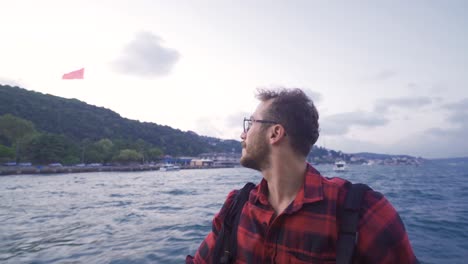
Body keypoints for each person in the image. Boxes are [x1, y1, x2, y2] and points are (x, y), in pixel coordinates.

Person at [187, 88, 418, 263]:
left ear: (275, 133)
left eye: (250, 124)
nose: (242, 134)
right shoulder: (235, 207)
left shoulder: (363, 212)